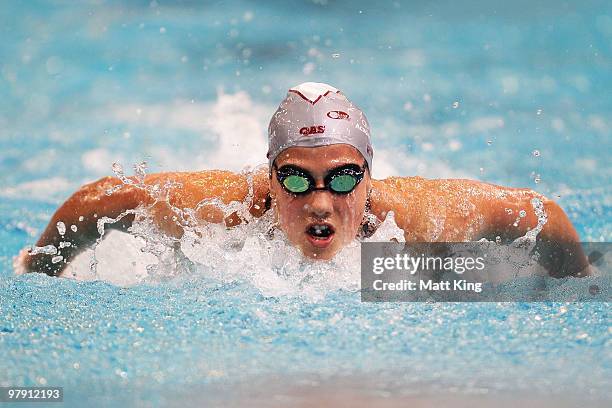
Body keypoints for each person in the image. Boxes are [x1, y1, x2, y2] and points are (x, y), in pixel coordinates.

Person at [19, 82, 589, 278]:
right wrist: (38, 268)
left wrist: (579, 283)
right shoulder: (223, 211)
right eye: (296, 181)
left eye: (342, 180)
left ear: (369, 177)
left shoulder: (412, 220)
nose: (320, 203)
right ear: (269, 179)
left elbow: (538, 214)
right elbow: (102, 200)